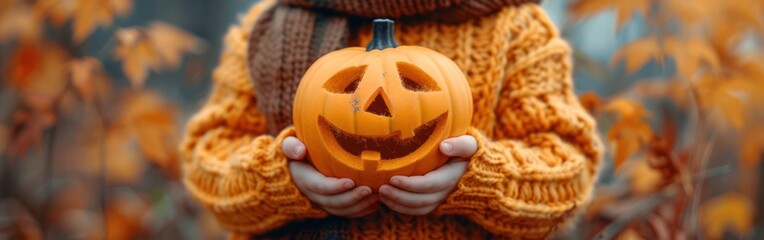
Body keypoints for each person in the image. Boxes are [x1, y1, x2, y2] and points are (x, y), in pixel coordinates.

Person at [180, 0, 603, 238]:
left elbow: (568, 168)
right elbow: (208, 161)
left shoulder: (515, 26)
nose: (379, 108)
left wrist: (479, 180)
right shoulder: (269, 27)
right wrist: (280, 180)